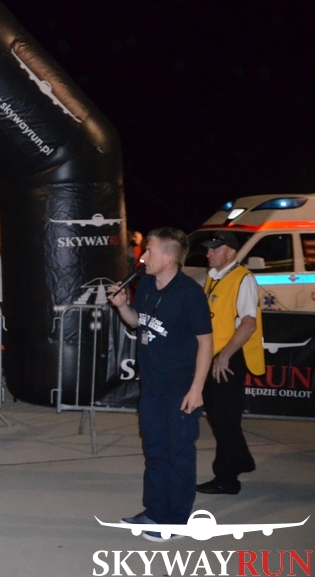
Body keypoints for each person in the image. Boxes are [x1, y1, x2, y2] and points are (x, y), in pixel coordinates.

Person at [108, 227, 212, 542]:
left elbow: (206, 343)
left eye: (149, 251)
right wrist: (122, 305)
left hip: (180, 388)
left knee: (178, 453)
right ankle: (154, 511)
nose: (143, 257)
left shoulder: (190, 294)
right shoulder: (147, 284)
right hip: (151, 387)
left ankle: (176, 521)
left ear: (168, 258)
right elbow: (138, 322)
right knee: (154, 450)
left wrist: (197, 389)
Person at [197, 230, 264, 495]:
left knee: (224, 419)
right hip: (214, 356)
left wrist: (224, 355)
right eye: (208, 248)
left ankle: (226, 479)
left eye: (215, 248)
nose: (208, 253)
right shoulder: (214, 278)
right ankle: (242, 460)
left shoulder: (243, 278)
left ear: (231, 252)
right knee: (219, 417)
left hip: (228, 357)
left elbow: (248, 324)